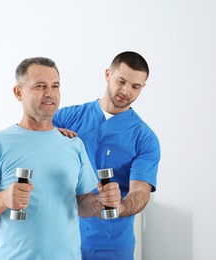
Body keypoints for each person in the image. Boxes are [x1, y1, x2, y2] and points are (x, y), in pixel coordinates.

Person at [0, 57, 121, 259]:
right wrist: (4, 198)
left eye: (55, 86)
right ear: (18, 92)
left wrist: (100, 201)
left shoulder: (73, 144)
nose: (49, 93)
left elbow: (82, 204)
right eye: (40, 86)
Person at [53, 51, 161, 260]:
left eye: (135, 86)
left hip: (110, 245)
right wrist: (49, 134)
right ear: (107, 74)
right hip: (61, 238)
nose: (126, 91)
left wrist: (121, 206)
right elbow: (31, 135)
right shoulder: (67, 118)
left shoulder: (144, 138)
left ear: (143, 87)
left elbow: (140, 191)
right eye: (121, 81)